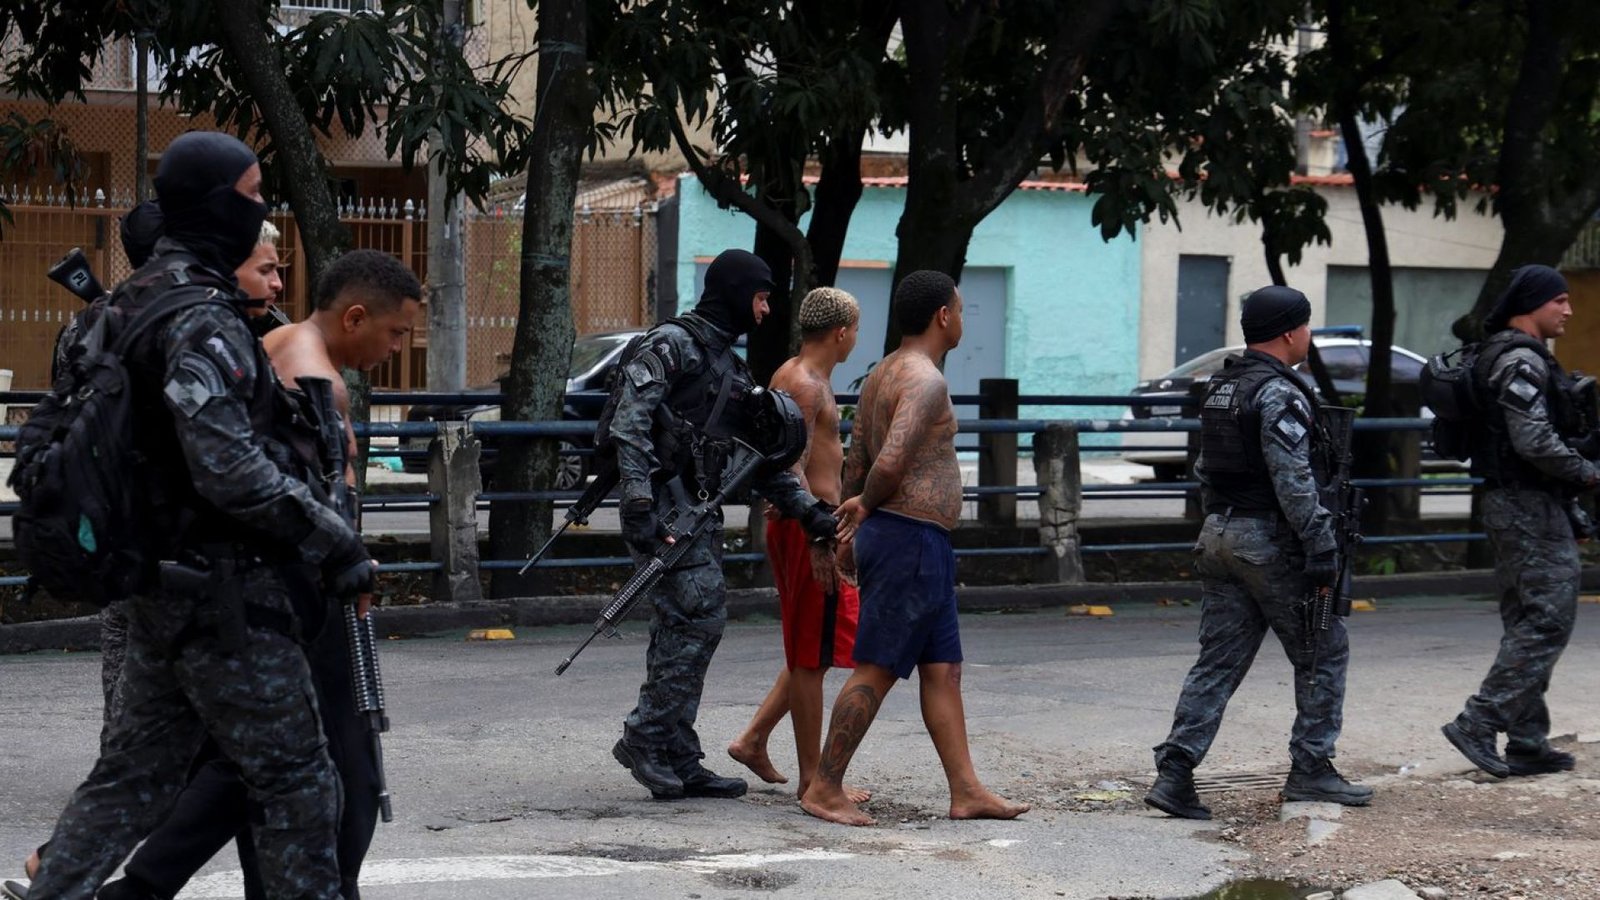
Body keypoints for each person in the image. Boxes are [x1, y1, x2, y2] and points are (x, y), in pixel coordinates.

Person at [24, 131, 372, 900]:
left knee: (130, 778)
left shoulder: (114, 310)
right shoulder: (202, 319)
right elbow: (227, 467)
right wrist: (335, 541)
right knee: (298, 783)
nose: (260, 209)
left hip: (156, 585)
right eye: (251, 195)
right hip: (228, 593)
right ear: (216, 204)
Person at [94, 250, 420, 900]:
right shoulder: (310, 375)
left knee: (248, 762)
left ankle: (138, 888)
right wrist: (344, 556)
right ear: (355, 316)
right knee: (342, 774)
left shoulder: (279, 347)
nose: (396, 348)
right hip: (297, 596)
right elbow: (287, 496)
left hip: (265, 590)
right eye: (396, 332)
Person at [15, 215, 290, 892]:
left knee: (172, 756)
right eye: (264, 266)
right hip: (188, 572)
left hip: (129, 558)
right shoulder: (202, 327)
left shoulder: (105, 323)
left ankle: (78, 870)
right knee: (192, 758)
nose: (275, 282)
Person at [607, 248, 840, 801]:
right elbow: (629, 424)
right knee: (699, 616)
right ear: (736, 293)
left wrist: (807, 509)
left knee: (682, 623)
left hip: (698, 512)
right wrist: (638, 503)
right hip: (661, 509)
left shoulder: (729, 367)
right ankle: (646, 736)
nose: (765, 310)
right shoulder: (672, 345)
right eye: (760, 298)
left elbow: (756, 458)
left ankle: (676, 752)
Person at [799, 270, 1029, 827]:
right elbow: (890, 459)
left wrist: (852, 520)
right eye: (960, 309)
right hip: (909, 539)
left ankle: (966, 790)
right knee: (876, 666)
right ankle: (824, 787)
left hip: (916, 540)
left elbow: (858, 455)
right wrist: (863, 509)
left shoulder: (882, 372)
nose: (962, 319)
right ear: (943, 316)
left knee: (943, 669)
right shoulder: (926, 380)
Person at [1145, 285, 1372, 822]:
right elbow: (1294, 480)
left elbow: (1205, 471)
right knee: (1323, 650)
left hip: (1220, 535)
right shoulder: (1279, 393)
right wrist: (1321, 545)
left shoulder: (1223, 387)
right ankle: (1311, 767)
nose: (1309, 336)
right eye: (1307, 326)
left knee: (1218, 662)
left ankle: (1175, 772)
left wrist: (1224, 523)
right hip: (1270, 542)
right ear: (1291, 332)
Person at [1441, 265, 1596, 778]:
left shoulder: (1511, 355)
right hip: (1525, 505)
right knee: (1548, 622)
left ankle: (1527, 740)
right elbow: (1533, 440)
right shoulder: (1520, 360)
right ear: (1530, 305)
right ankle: (1478, 722)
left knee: (1528, 619)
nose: (1568, 310)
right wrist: (1587, 473)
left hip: (1521, 502)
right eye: (1559, 301)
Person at [726, 287, 871, 804]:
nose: (857, 338)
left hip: (806, 522)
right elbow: (791, 465)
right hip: (809, 527)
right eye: (856, 329)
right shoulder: (806, 384)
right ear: (841, 332)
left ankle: (753, 739)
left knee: (812, 647)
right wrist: (816, 533)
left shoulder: (795, 374)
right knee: (811, 655)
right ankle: (814, 780)